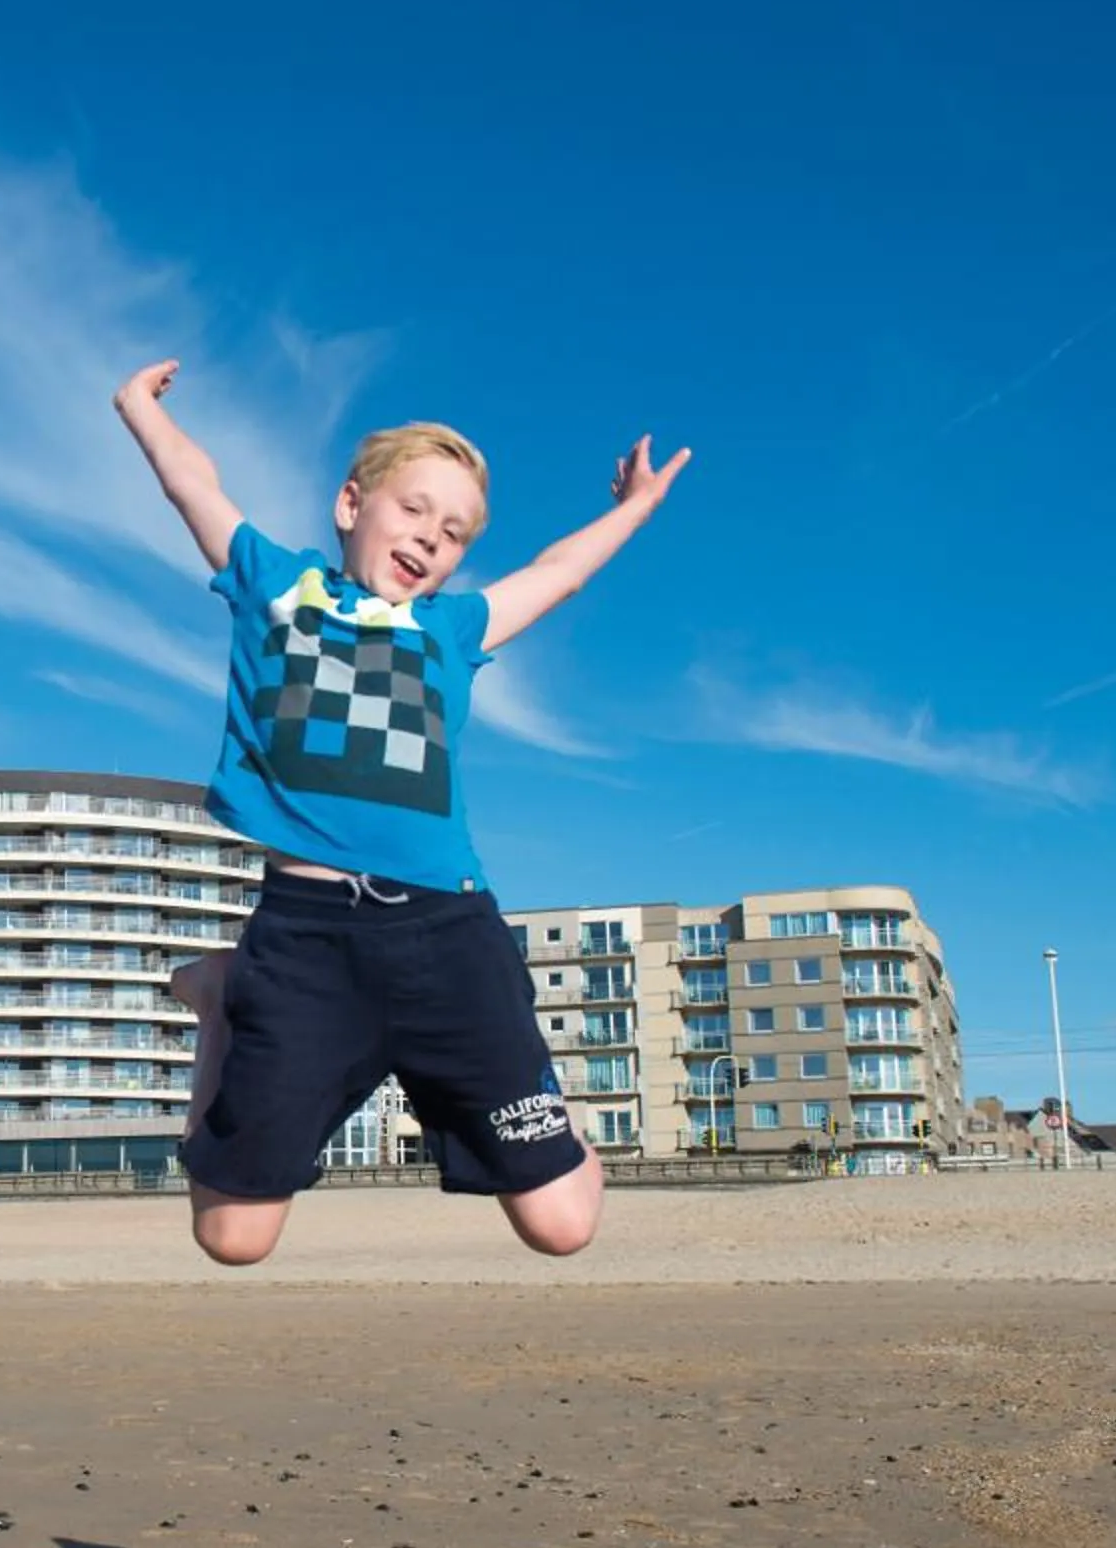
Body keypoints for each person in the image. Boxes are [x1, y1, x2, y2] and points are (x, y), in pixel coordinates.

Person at [114, 358, 689, 1267]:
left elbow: (560, 573)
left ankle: (532, 1096)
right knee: (231, 1235)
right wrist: (137, 408)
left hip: (446, 934)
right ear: (352, 505)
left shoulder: (450, 632)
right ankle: (219, 997)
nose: (431, 538)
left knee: (563, 1227)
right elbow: (195, 484)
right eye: (415, 509)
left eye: (455, 532)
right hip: (304, 943)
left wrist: (634, 509)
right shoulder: (276, 586)